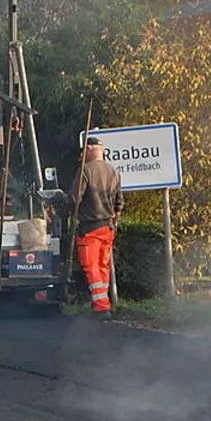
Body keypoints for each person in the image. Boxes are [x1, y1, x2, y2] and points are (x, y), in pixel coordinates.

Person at [70, 136, 123, 319]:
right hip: (108, 228)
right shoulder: (113, 171)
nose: (82, 154)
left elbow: (74, 199)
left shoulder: (85, 170)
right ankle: (103, 304)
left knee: (91, 266)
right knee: (103, 266)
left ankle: (101, 307)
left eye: (84, 150)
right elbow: (119, 202)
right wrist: (114, 222)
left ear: (92, 150)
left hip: (89, 228)